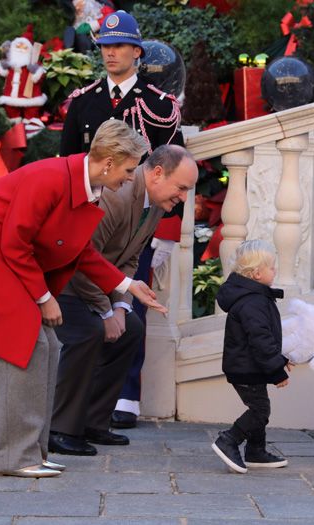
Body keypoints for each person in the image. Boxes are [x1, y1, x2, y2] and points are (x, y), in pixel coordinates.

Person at [0, 120, 167, 478]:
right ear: (109, 161)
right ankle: (11, 458)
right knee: (19, 348)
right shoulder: (51, 178)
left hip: (4, 255)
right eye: (129, 169)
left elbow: (78, 250)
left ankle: (33, 450)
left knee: (47, 345)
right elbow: (14, 242)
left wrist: (127, 285)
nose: (131, 178)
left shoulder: (84, 184)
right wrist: (44, 297)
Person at [60, 9, 183, 430]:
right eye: (104, 47)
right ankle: (84, 396)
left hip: (136, 224)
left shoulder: (158, 104)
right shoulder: (83, 101)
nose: (110, 53)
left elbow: (174, 170)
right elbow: (67, 165)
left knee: (132, 306)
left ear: (136, 51)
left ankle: (125, 396)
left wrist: (166, 236)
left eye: (117, 46)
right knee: (83, 305)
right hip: (87, 217)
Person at [50, 144, 198, 455]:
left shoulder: (157, 201)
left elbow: (131, 258)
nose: (184, 198)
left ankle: (93, 422)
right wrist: (106, 313)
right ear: (157, 173)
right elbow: (79, 258)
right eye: (181, 188)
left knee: (131, 328)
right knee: (89, 333)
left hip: (97, 284)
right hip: (64, 282)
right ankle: (60, 429)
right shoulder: (115, 198)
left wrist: (119, 306)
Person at [211, 240, 292, 474]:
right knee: (260, 410)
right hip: (246, 367)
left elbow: (263, 339)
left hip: (250, 365)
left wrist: (281, 359)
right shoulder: (252, 302)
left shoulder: (255, 298)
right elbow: (260, 340)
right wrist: (277, 371)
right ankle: (229, 440)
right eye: (271, 267)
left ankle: (256, 451)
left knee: (259, 405)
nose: (274, 271)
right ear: (257, 273)